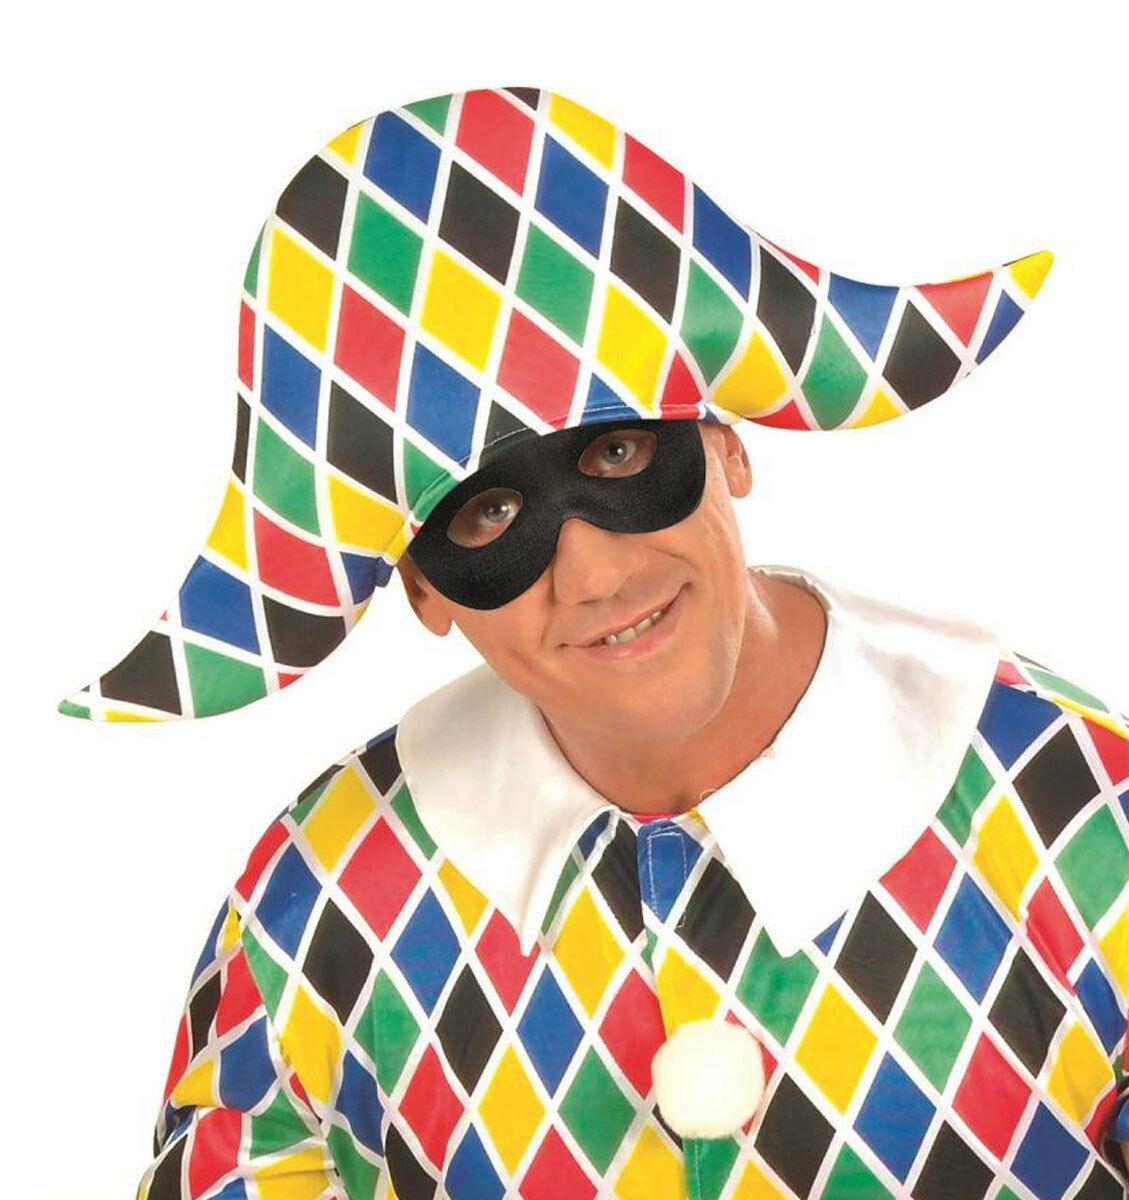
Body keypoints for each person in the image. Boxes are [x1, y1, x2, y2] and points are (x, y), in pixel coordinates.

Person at [58, 87, 1129, 1197]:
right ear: (423, 587)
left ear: (725, 445)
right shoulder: (325, 899)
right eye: (489, 517)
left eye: (617, 456)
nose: (595, 577)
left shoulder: (1072, 808)